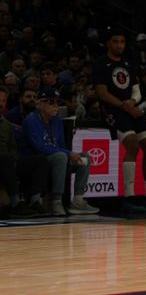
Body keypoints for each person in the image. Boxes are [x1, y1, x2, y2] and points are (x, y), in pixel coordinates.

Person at [93, 27, 146, 214]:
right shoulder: (101, 63)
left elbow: (137, 91)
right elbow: (102, 93)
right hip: (111, 110)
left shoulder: (128, 63)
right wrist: (125, 106)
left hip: (130, 109)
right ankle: (129, 196)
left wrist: (132, 103)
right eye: (116, 42)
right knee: (132, 144)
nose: (119, 45)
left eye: (122, 42)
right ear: (108, 43)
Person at [21, 88, 99, 216]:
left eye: (57, 102)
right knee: (61, 156)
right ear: (40, 104)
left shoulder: (57, 120)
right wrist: (68, 153)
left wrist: (71, 154)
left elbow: (60, 145)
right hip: (37, 160)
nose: (56, 106)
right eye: (51, 102)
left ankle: (78, 201)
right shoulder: (31, 120)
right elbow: (39, 147)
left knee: (85, 158)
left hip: (57, 157)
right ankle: (57, 202)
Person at [0, 86, 48, 218]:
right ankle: (15, 203)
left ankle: (35, 201)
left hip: (7, 162)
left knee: (40, 160)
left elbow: (12, 147)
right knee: (7, 159)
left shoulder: (6, 124)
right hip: (3, 160)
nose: (1, 103)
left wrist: (14, 160)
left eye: (3, 100)